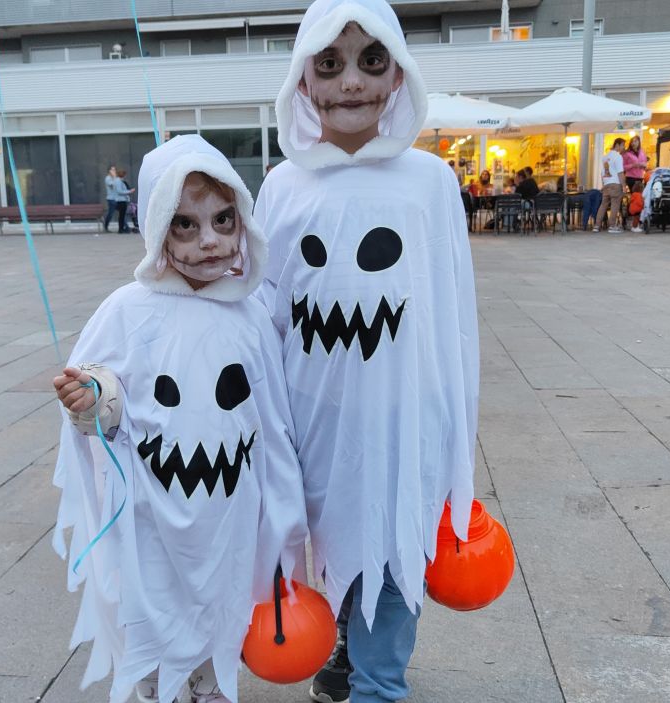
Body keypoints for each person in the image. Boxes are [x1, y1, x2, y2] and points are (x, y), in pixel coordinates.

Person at [254, 2, 480, 701]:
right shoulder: (282, 186)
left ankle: (380, 684)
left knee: (393, 532)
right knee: (333, 535)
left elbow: (452, 308)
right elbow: (264, 309)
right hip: (313, 410)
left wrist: (451, 420)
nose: (350, 81)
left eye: (369, 61)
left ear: (396, 78)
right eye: (331, 64)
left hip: (402, 407)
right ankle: (350, 647)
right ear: (304, 82)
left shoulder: (430, 181)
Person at [51, 135, 308, 703]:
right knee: (154, 617)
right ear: (156, 229)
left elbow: (272, 427)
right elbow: (107, 403)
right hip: (152, 512)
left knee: (223, 611)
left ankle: (212, 684)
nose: (209, 240)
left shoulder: (252, 315)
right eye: (184, 224)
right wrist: (94, 403)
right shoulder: (127, 310)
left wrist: (287, 523)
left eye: (223, 219)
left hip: (229, 513)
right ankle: (154, 686)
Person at [594, 137, 626, 233]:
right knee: (615, 205)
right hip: (615, 183)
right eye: (623, 145)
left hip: (607, 183)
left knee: (603, 205)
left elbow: (602, 173)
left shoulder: (605, 157)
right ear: (617, 145)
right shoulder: (618, 156)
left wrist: (604, 184)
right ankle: (612, 226)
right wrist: (624, 185)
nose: (624, 148)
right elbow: (620, 172)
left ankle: (596, 225)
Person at [111, 168, 137, 233]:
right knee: (121, 216)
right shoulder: (118, 181)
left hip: (122, 200)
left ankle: (122, 228)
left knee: (122, 216)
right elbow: (119, 191)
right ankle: (121, 229)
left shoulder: (119, 181)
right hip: (121, 200)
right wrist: (129, 191)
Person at [103, 165, 119, 230]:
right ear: (109, 171)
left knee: (122, 212)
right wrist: (115, 177)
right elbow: (113, 185)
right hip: (111, 199)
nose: (114, 171)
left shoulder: (116, 178)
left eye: (114, 170)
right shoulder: (108, 178)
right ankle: (106, 226)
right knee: (111, 213)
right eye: (112, 170)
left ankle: (125, 226)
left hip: (117, 198)